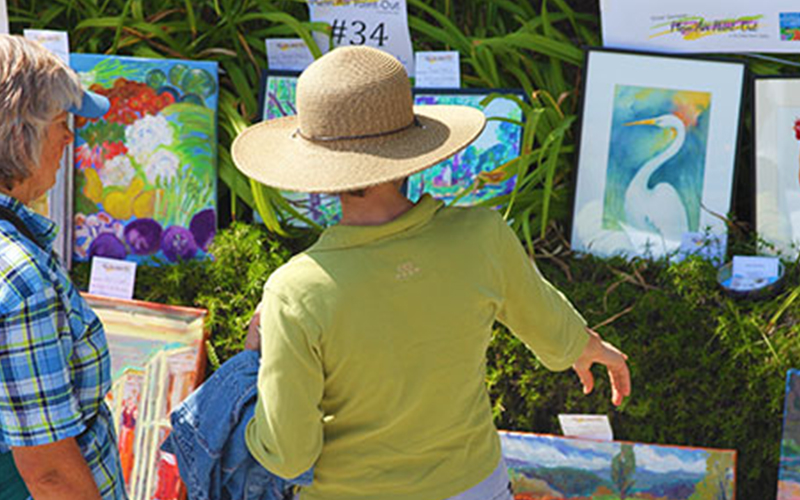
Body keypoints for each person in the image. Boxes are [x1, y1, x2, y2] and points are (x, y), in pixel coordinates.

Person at [232, 46, 630, 500]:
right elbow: (551, 329)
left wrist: (250, 364)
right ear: (413, 148)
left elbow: (289, 455)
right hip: (476, 485)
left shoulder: (294, 292)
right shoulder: (481, 236)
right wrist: (586, 348)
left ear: (317, 170)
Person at [0, 35, 127, 500]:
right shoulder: (19, 276)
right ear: (19, 135)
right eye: (59, 122)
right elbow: (50, 473)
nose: (69, 137)